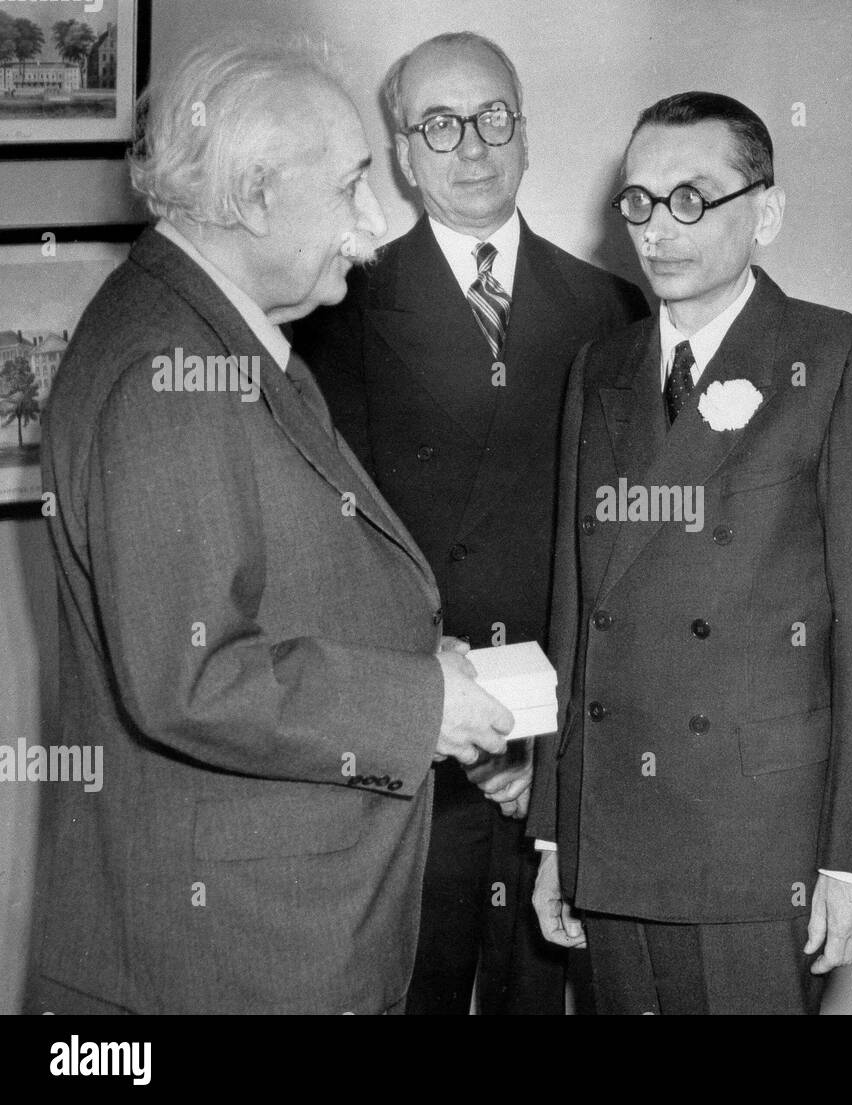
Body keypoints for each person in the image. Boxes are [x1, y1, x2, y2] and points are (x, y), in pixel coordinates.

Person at [27, 33, 514, 1015]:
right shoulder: (166, 371)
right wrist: (424, 703)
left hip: (262, 939)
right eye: (348, 188)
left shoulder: (216, 336)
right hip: (227, 958)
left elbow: (264, 593)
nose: (372, 226)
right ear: (253, 197)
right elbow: (190, 675)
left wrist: (423, 661)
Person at [527, 91, 852, 1015]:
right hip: (616, 827)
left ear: (766, 213)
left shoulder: (838, 361)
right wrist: (554, 831)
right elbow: (572, 608)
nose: (660, 229)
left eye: (692, 198)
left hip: (759, 839)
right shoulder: (601, 370)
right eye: (639, 201)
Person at [296, 31, 647, 1016]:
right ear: (403, 154)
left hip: (556, 752)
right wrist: (457, 717)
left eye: (494, 117)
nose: (473, 145)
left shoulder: (611, 307)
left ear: (524, 134)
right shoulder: (335, 309)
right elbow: (331, 546)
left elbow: (629, 556)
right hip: (418, 749)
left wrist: (546, 738)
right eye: (440, 125)